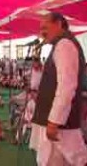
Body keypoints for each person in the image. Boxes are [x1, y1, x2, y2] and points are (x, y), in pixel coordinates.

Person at [30, 12, 87, 166]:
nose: (42, 32)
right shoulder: (62, 44)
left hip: (60, 126)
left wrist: (54, 120)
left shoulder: (64, 44)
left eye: (45, 27)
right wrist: (39, 71)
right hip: (59, 123)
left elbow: (66, 86)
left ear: (59, 24)